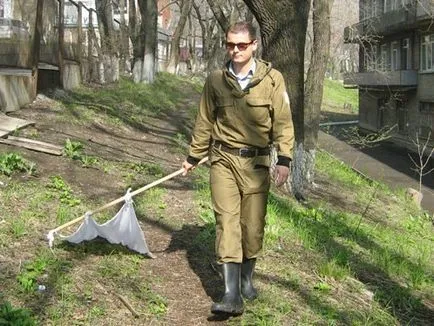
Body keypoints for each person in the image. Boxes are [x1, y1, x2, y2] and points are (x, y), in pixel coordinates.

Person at [182, 21, 294, 316]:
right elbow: (204, 121)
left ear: (254, 45)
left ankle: (245, 279)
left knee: (252, 228)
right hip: (223, 160)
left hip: (257, 163)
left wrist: (284, 160)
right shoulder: (216, 81)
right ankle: (231, 293)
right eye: (230, 44)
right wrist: (193, 157)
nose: (235, 50)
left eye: (241, 45)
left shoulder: (273, 80)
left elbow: (283, 122)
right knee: (227, 222)